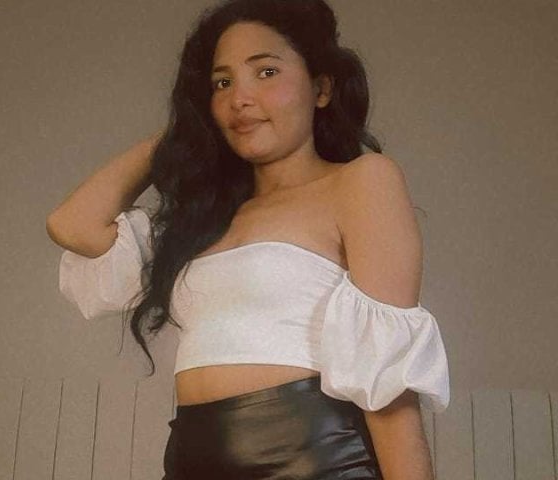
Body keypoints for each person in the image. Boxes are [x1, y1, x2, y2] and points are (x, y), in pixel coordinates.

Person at [46, 0, 450, 478]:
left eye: (266, 72)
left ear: (321, 88)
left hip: (318, 464)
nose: (240, 98)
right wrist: (184, 131)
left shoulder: (361, 182)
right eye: (222, 83)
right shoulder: (202, 221)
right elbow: (73, 225)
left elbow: (387, 381)